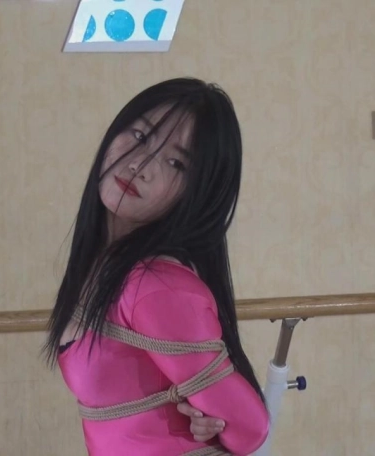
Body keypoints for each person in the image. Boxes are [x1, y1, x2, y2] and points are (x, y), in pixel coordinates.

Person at [44, 77, 270, 456]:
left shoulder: (155, 285)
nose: (141, 165)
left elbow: (251, 429)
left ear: (198, 193)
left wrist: (215, 420)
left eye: (176, 162)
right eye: (140, 136)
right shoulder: (105, 265)